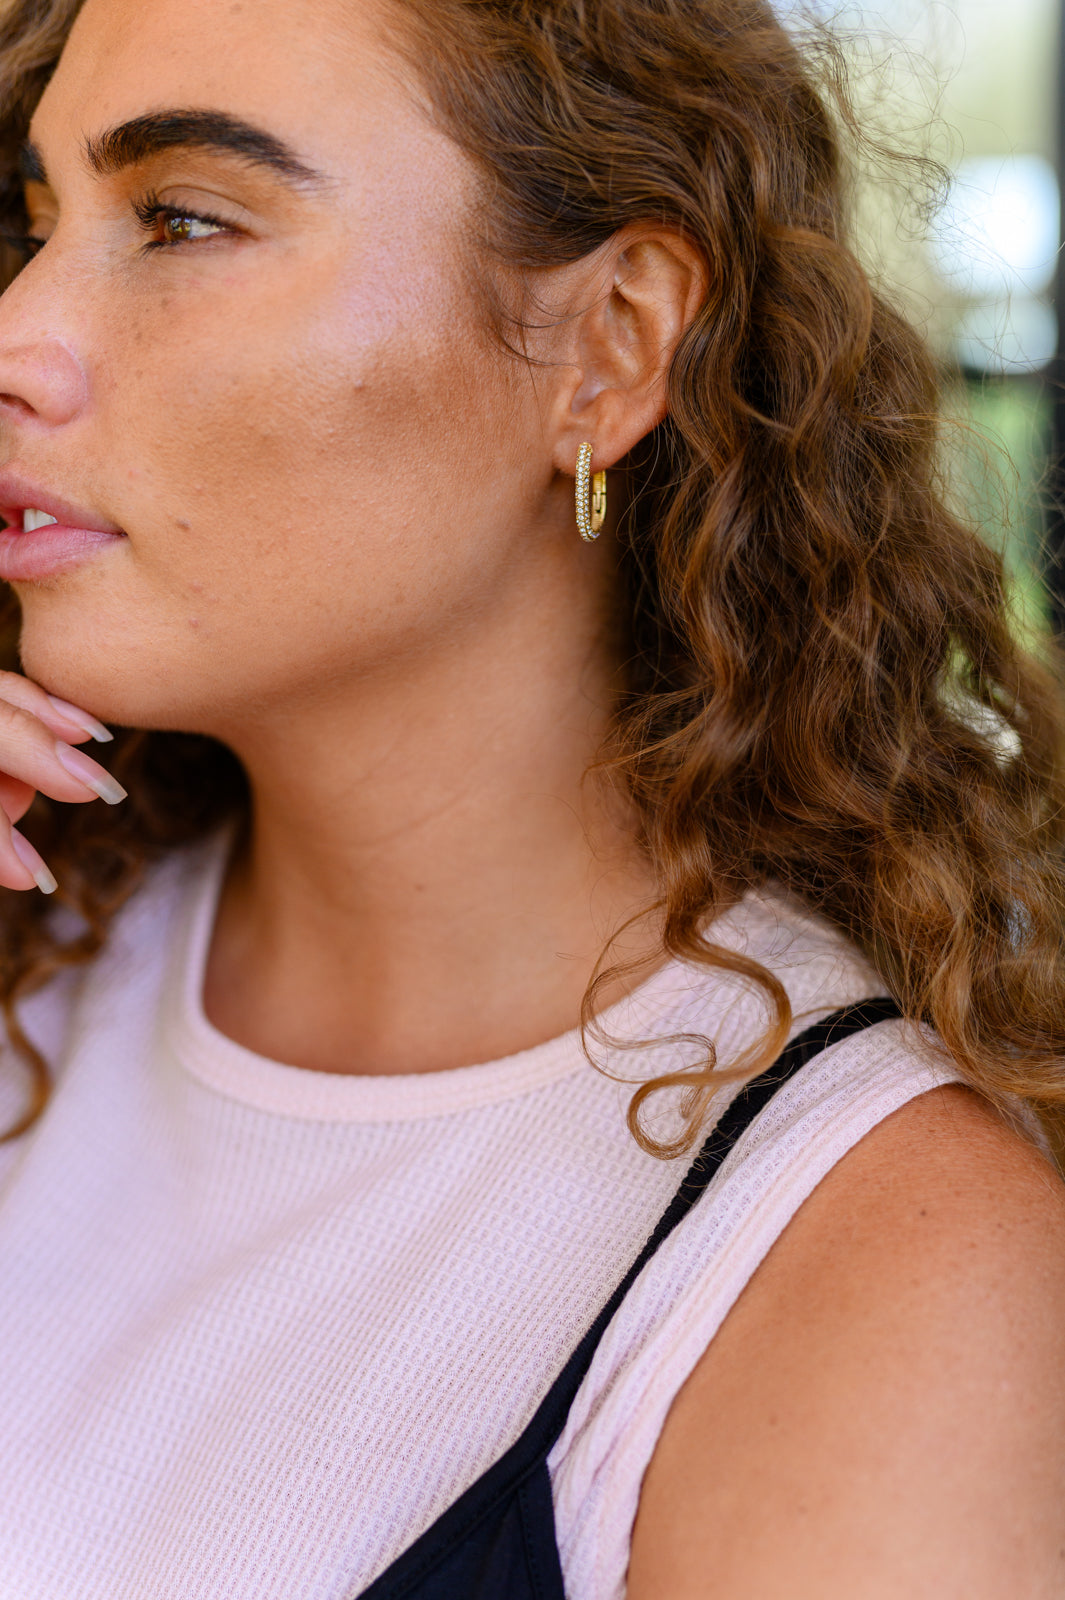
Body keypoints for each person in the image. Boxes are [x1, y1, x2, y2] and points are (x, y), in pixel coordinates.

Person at [0, 0, 1063, 1593]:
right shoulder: (50, 945)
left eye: (183, 220)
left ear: (611, 343)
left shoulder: (877, 1267)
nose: (20, 335)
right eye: (33, 222)